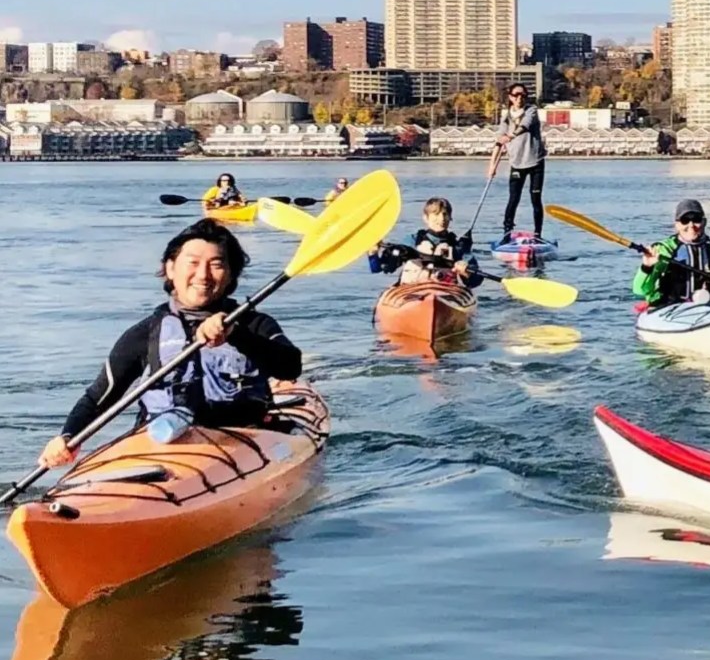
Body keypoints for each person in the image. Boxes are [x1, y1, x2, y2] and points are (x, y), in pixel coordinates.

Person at [36, 220, 303, 469]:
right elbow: (99, 398)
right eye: (193, 263)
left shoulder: (254, 324)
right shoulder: (146, 333)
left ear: (231, 274)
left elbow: (290, 368)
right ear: (170, 268)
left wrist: (235, 334)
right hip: (164, 443)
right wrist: (68, 435)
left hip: (241, 438)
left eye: (216, 264)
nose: (203, 275)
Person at [369, 197, 480, 289]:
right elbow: (378, 268)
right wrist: (373, 254)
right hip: (411, 290)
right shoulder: (412, 241)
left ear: (450, 218)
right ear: (426, 218)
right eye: (436, 214)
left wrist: (466, 273)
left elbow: (476, 281)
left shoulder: (457, 247)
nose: (442, 219)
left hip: (444, 292)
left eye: (445, 214)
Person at [487, 82, 546, 239]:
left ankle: (537, 233)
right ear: (510, 97)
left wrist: (510, 136)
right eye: (516, 95)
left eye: (523, 95)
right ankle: (507, 232)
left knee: (535, 199)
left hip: (535, 162)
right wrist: (492, 166)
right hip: (517, 163)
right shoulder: (506, 118)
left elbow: (524, 126)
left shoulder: (531, 111)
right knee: (513, 198)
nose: (519, 98)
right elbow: (499, 142)